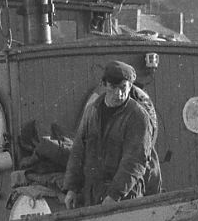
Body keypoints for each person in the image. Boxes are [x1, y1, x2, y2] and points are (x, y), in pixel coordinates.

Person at [61, 60, 160, 207]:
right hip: (93, 195)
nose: (118, 93)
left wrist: (115, 195)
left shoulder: (138, 117)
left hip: (126, 197)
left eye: (123, 88)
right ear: (104, 85)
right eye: (113, 87)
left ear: (130, 86)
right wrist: (71, 189)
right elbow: (78, 151)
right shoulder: (92, 111)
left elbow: (135, 161)